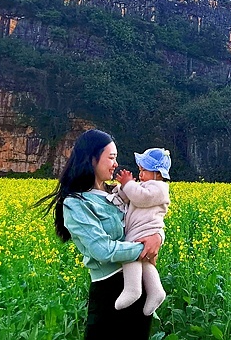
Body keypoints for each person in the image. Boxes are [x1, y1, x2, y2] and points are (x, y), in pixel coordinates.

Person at [35, 129, 162, 339]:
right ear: (92, 159)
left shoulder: (119, 193)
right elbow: (103, 250)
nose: (115, 164)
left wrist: (158, 237)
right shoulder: (76, 204)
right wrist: (144, 248)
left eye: (116, 158)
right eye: (111, 157)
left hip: (140, 290)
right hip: (109, 293)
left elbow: (149, 220)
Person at [113, 147, 171, 315]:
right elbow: (128, 197)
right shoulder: (145, 185)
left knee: (130, 256)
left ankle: (133, 289)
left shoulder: (159, 188)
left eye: (144, 170)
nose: (140, 174)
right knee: (145, 263)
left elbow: (140, 198)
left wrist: (128, 184)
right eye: (140, 170)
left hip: (144, 231)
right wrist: (122, 188)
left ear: (158, 174)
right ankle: (156, 291)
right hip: (140, 231)